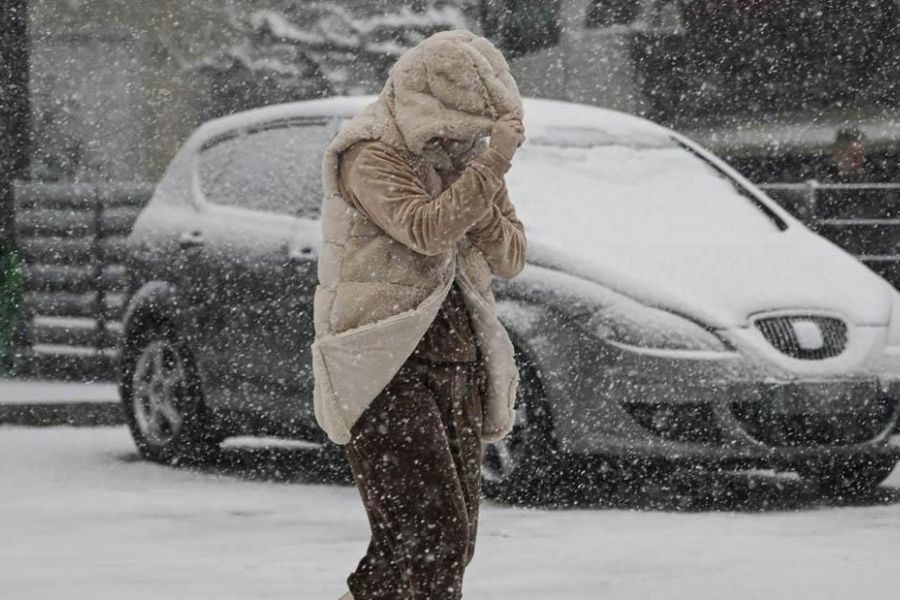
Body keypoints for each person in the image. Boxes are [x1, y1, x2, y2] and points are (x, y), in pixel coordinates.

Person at [310, 31, 527, 600]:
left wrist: (477, 182)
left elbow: (511, 256)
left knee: (431, 546)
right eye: (459, 128)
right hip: (383, 364)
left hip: (459, 358)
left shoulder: (467, 162)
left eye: (475, 133)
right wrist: (488, 169)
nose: (465, 142)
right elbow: (425, 230)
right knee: (433, 534)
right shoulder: (370, 153)